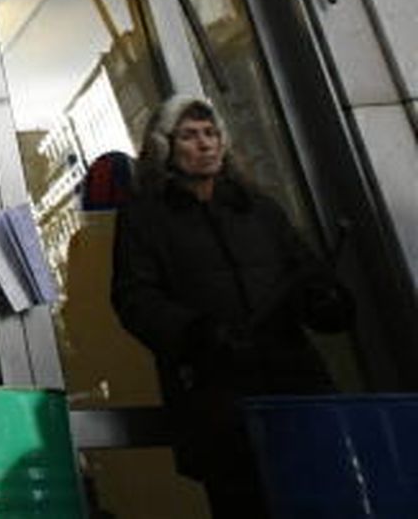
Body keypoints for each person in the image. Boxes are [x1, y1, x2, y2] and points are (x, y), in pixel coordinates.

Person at [111, 94, 353, 518]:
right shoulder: (145, 219)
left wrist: (326, 302)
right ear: (165, 147)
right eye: (189, 135)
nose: (205, 144)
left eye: (211, 133)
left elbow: (308, 276)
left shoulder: (260, 210)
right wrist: (195, 333)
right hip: (217, 401)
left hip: (296, 390)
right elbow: (135, 299)